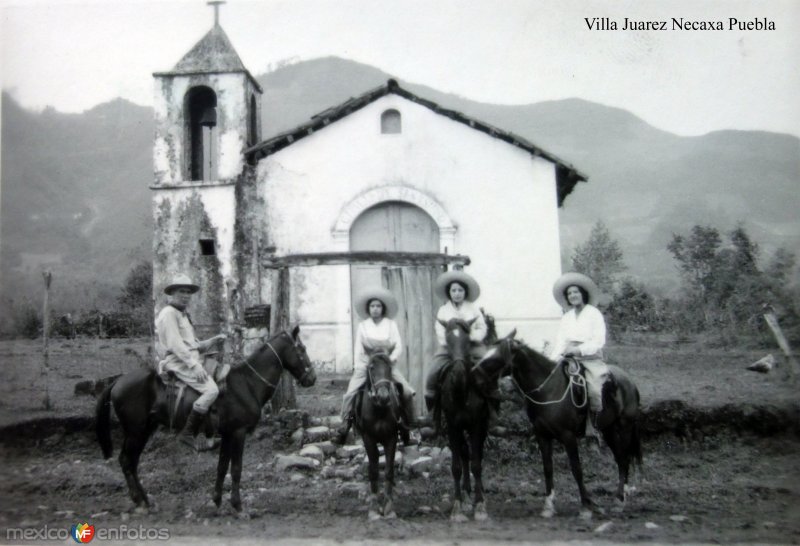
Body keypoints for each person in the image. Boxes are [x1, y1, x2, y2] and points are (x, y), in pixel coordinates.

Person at [334, 287, 418, 445]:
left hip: (386, 365)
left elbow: (398, 346)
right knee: (350, 393)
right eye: (372, 306)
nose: (375, 309)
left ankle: (407, 428)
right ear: (368, 308)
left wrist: (391, 359)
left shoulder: (390, 324)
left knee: (406, 391)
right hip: (368, 364)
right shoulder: (363, 326)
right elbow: (359, 348)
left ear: (383, 308)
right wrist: (362, 365)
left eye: (378, 306)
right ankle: (345, 425)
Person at [155, 274, 227, 449]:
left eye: (188, 292)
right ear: (172, 293)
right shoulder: (168, 314)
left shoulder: (183, 314)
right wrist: (194, 366)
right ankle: (187, 433)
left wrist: (214, 339)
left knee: (223, 375)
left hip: (191, 358)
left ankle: (213, 429)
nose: (186, 295)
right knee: (211, 390)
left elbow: (194, 345)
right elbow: (176, 345)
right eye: (182, 291)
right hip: (178, 362)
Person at [423, 270, 500, 428]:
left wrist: (472, 338)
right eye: (453, 290)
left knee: (489, 366)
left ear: (465, 292)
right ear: (449, 293)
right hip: (449, 347)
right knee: (432, 372)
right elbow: (439, 329)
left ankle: (493, 414)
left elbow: (481, 327)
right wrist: (451, 343)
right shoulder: (444, 310)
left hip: (471, 346)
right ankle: (433, 417)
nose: (457, 294)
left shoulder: (473, 309)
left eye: (460, 290)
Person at [546, 272, 610, 434]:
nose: (573, 295)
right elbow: (561, 342)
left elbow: (598, 341)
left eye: (576, 292)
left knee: (594, 389)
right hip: (568, 357)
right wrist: (552, 361)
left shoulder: (593, 313)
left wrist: (578, 349)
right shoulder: (566, 317)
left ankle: (594, 426)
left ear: (583, 294)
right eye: (569, 293)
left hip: (590, 358)